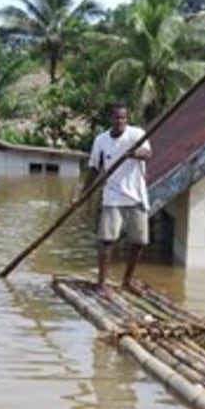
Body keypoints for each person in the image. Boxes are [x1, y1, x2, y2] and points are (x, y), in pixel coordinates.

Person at [81, 105, 152, 294]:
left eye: (123, 118)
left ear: (126, 119)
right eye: (116, 118)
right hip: (112, 196)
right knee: (106, 240)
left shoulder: (136, 135)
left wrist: (134, 154)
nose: (120, 121)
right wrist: (83, 194)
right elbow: (94, 168)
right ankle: (101, 284)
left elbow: (147, 153)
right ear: (110, 119)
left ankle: (127, 281)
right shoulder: (101, 140)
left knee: (139, 242)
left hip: (136, 196)